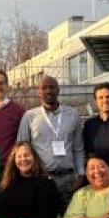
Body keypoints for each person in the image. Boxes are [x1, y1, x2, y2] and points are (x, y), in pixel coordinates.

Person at [16, 75, 84, 209]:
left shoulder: (73, 114)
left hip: (69, 179)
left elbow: (78, 148)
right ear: (39, 93)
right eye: (44, 88)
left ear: (58, 90)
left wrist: (81, 174)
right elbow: (21, 149)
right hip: (42, 179)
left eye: (52, 87)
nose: (48, 91)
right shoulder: (29, 116)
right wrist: (26, 179)